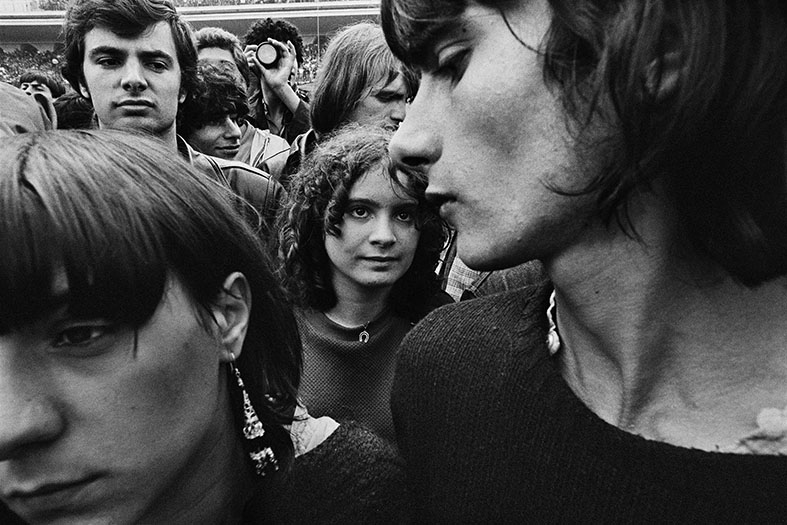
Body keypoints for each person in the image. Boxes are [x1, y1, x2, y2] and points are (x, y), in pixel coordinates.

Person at [382, 0, 787, 521]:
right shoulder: (445, 375)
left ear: (659, 49)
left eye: (455, 62)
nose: (405, 142)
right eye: (413, 87)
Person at [0, 130, 409, 524]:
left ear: (227, 317)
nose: (10, 427)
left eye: (80, 333)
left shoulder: (351, 501)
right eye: (359, 211)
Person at [279, 125, 450, 445]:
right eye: (361, 211)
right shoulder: (276, 330)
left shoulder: (443, 332)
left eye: (402, 214)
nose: (384, 236)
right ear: (319, 217)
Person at [61, 0, 285, 234]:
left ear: (184, 86)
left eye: (156, 64)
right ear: (81, 82)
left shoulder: (253, 195)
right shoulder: (49, 202)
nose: (134, 79)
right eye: (110, 61)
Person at [283, 21, 416, 185]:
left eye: (407, 100)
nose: (401, 114)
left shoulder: (416, 178)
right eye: (386, 97)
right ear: (341, 97)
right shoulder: (276, 173)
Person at [194, 26, 291, 178]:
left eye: (226, 68)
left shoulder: (274, 151)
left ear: (244, 81)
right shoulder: (171, 143)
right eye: (205, 69)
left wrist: (281, 88)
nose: (216, 77)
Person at [242, 18, 310, 145]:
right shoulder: (244, 112)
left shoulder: (317, 105)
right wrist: (239, 78)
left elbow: (324, 137)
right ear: (256, 60)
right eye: (271, 54)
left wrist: (281, 87)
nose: (282, 63)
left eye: (287, 53)